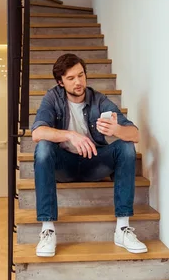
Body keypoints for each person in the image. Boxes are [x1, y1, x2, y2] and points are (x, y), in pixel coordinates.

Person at [31, 53, 148, 257]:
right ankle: (47, 229)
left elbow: (135, 134)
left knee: (126, 147)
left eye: (81, 75)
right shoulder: (52, 98)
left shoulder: (99, 100)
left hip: (94, 164)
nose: (78, 82)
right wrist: (69, 135)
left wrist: (116, 130)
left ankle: (122, 228)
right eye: (71, 78)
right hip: (64, 166)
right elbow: (37, 133)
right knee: (43, 147)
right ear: (60, 82)